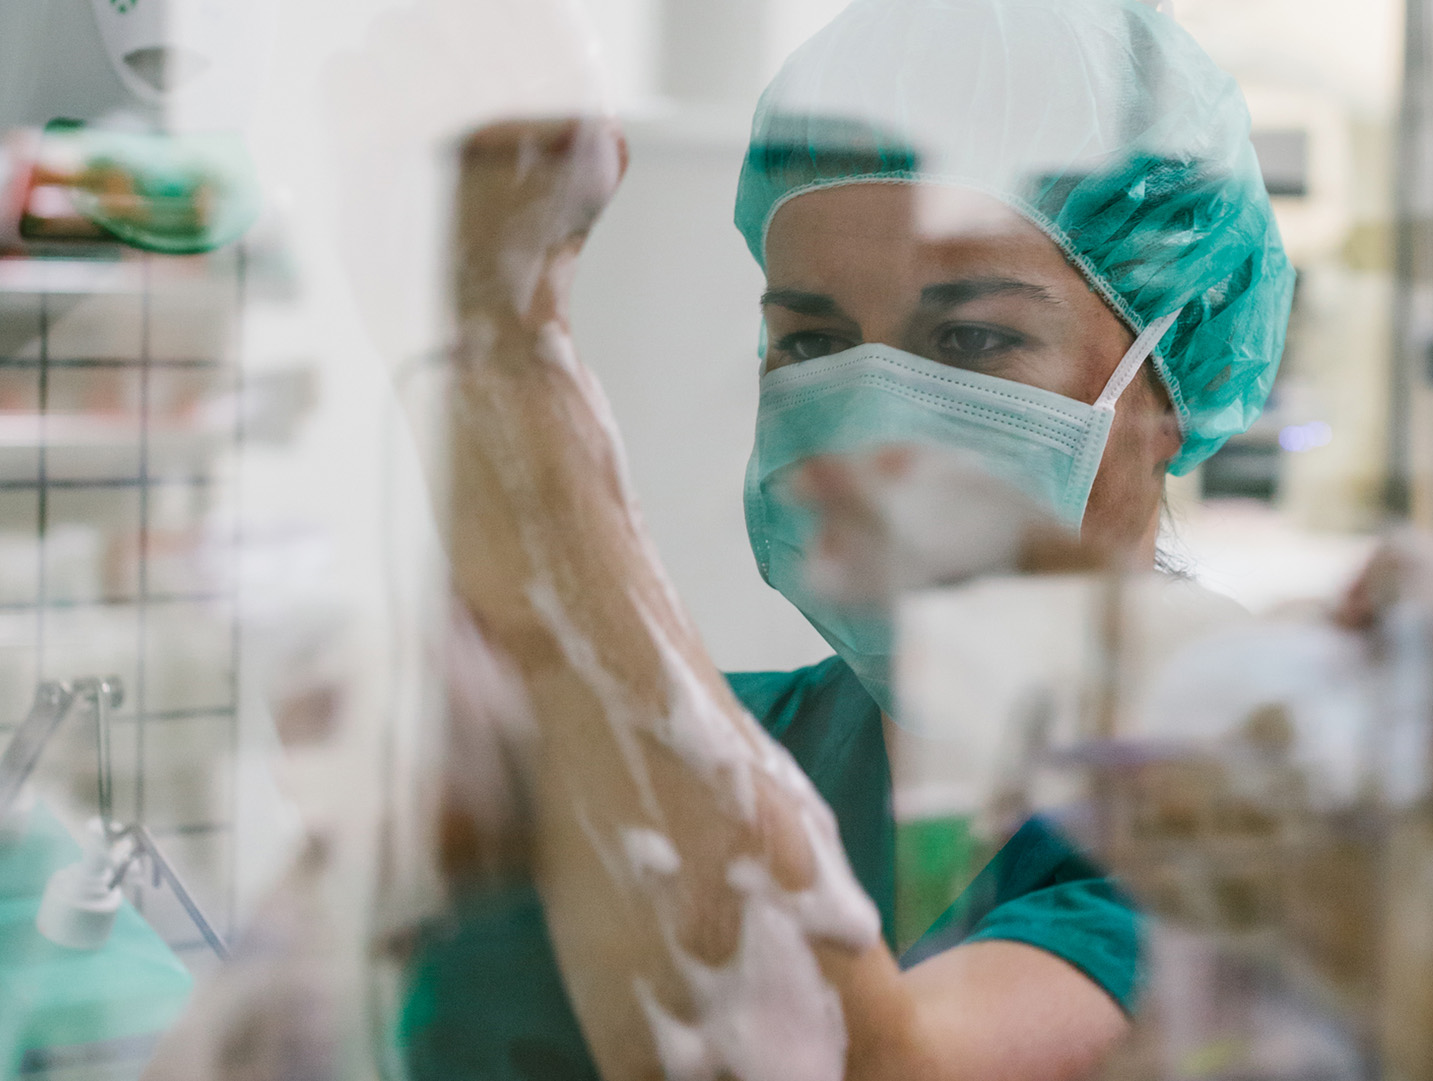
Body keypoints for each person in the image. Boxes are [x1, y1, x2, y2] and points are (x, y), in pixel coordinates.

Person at [398, 0, 1292, 1078]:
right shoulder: (770, 747)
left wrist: (508, 344)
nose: (869, 416)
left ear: (1169, 383)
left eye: (971, 336)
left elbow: (870, 1060)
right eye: (812, 341)